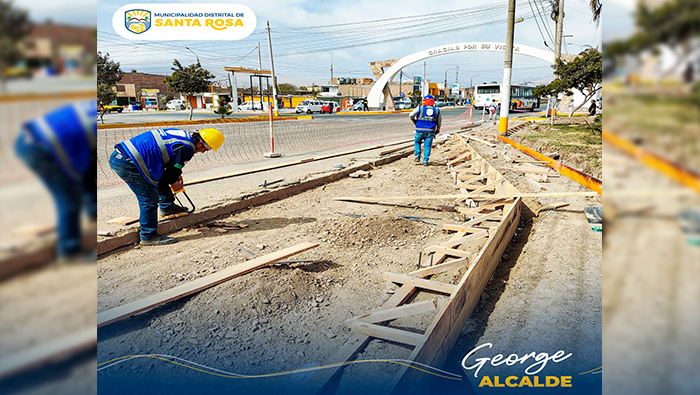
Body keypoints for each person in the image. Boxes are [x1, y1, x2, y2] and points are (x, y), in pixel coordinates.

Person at [109, 128, 225, 246]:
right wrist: (175, 181)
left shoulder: (183, 135)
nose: (204, 151)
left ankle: (167, 206)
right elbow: (170, 177)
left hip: (123, 155)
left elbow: (168, 161)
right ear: (201, 143)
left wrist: (176, 174)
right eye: (207, 148)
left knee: (160, 176)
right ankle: (148, 236)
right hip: (129, 163)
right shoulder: (188, 149)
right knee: (149, 199)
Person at [15, 101, 97, 261]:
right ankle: (69, 251)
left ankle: (92, 212)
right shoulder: (91, 129)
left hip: (34, 138)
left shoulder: (91, 112)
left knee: (86, 170)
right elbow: (74, 165)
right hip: (40, 148)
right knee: (69, 198)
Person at [409, 95, 442, 166]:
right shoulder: (436, 110)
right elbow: (439, 122)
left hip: (419, 130)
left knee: (417, 142)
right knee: (427, 146)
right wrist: (438, 129)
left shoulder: (420, 108)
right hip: (430, 131)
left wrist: (415, 122)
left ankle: (417, 156)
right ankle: (425, 160)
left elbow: (411, 115)